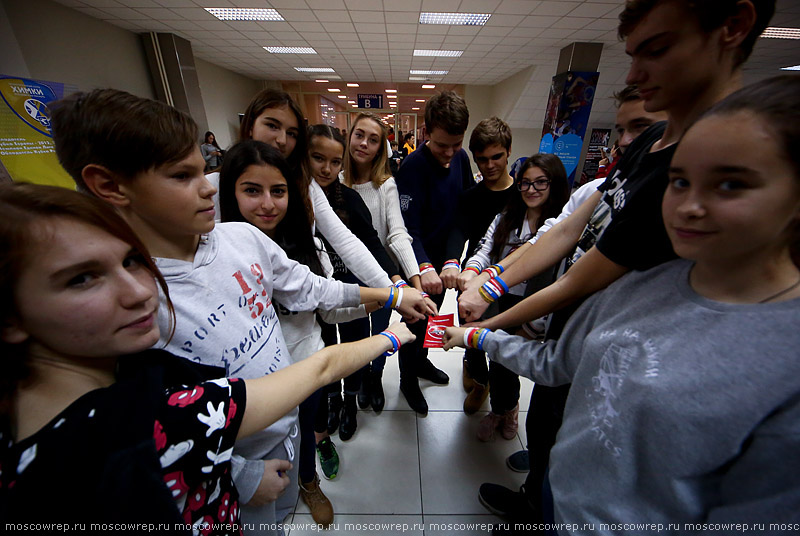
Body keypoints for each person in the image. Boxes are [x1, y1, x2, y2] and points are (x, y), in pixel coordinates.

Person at [49, 88, 430, 536]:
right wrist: (241, 475)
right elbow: (150, 430)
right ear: (110, 187)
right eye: (183, 176)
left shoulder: (238, 239)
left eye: (202, 171)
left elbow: (315, 284)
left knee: (289, 487)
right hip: (226, 467)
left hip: (285, 420)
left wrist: (391, 293)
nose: (204, 189)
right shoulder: (132, 300)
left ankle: (307, 480)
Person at [456, 0, 775, 529]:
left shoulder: (698, 162)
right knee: (554, 432)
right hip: (581, 338)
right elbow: (569, 228)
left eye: (658, 49)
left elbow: (582, 276)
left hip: (630, 361)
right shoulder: (653, 140)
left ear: (733, 28)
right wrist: (493, 284)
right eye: (633, 53)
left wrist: (484, 326)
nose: (633, 74)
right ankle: (538, 500)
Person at [0, 182, 415, 532]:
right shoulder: (158, 420)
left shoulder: (69, 404)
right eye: (82, 279)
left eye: (132, 261)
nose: (141, 292)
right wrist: (393, 336)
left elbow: (315, 292)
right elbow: (322, 368)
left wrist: (390, 295)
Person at [218, 139, 377, 526]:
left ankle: (308, 482)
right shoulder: (217, 250)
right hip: (249, 384)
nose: (268, 204)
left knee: (307, 429)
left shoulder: (307, 244)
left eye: (279, 191)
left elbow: (325, 301)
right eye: (252, 191)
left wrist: (373, 301)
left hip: (305, 361)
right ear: (228, 192)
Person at [211, 89, 397, 293]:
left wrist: (391, 290)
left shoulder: (305, 185)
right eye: (272, 125)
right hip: (245, 300)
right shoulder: (214, 186)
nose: (281, 140)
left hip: (302, 304)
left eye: (291, 133)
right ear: (250, 126)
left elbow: (344, 240)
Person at [304, 125, 401, 475]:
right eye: (318, 158)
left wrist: (392, 281)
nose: (326, 169)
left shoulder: (351, 199)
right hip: (320, 298)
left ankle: (349, 403)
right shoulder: (297, 200)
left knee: (356, 346)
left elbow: (371, 244)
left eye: (333, 161)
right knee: (327, 350)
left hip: (357, 290)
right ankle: (331, 401)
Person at [459, 154, 569, 441]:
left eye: (540, 182)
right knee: (496, 355)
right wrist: (471, 273)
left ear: (554, 184)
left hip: (535, 306)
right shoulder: (506, 218)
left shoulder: (561, 228)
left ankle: (508, 409)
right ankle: (499, 409)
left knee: (510, 362)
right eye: (525, 183)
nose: (532, 190)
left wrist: (533, 326)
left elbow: (556, 281)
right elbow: (484, 250)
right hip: (499, 300)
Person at [342, 112, 432, 422]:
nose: (364, 143)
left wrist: (415, 282)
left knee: (380, 329)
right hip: (345, 276)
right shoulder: (334, 182)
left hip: (382, 275)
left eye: (373, 139)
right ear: (349, 137)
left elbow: (396, 233)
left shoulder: (386, 185)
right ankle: (352, 390)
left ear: (382, 147)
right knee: (353, 334)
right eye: (359, 135)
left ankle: (375, 376)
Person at [396, 90, 474, 414]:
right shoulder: (413, 167)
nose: (450, 153)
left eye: (456, 144)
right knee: (414, 325)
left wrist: (452, 260)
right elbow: (404, 227)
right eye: (443, 145)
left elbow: (465, 213)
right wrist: (424, 266)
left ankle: (422, 364)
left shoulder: (462, 159)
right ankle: (407, 380)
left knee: (433, 323)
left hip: (446, 265)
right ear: (426, 133)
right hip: (418, 265)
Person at [447, 117, 518, 414]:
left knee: (505, 349)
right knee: (473, 340)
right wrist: (452, 263)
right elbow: (458, 231)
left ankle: (507, 405)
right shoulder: (470, 197)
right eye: (482, 159)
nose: (489, 165)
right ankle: (479, 382)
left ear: (509, 152)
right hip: (473, 278)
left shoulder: (522, 196)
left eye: (496, 157)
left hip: (513, 282)